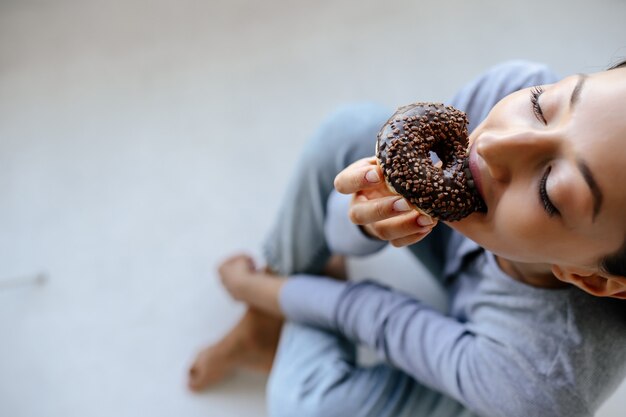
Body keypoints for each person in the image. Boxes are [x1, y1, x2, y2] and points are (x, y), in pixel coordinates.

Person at [188, 60, 626, 417]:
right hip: (479, 268)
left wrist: (257, 288)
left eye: (551, 190)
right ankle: (264, 327)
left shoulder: (541, 385)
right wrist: (364, 223)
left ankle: (274, 312)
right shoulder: (511, 86)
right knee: (348, 130)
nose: (494, 145)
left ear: (590, 278)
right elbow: (348, 220)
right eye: (543, 106)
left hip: (488, 375)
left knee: (309, 406)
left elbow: (384, 319)